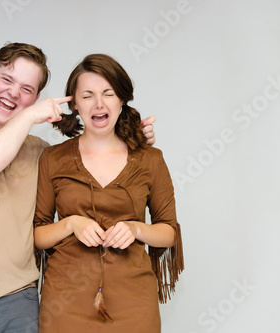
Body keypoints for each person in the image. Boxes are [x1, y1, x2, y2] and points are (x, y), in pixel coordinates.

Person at [0, 43, 156, 333]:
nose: (13, 93)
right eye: (7, 79)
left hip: (16, 303)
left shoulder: (41, 152)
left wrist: (126, 141)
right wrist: (29, 116)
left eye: (26, 89)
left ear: (36, 97)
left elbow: (90, 163)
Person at [34, 54, 184, 332]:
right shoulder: (52, 158)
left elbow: (168, 232)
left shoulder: (151, 159)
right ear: (74, 103)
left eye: (108, 93)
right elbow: (38, 234)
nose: (99, 104)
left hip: (134, 301)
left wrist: (136, 228)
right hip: (65, 302)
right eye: (88, 95)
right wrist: (71, 224)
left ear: (122, 99)